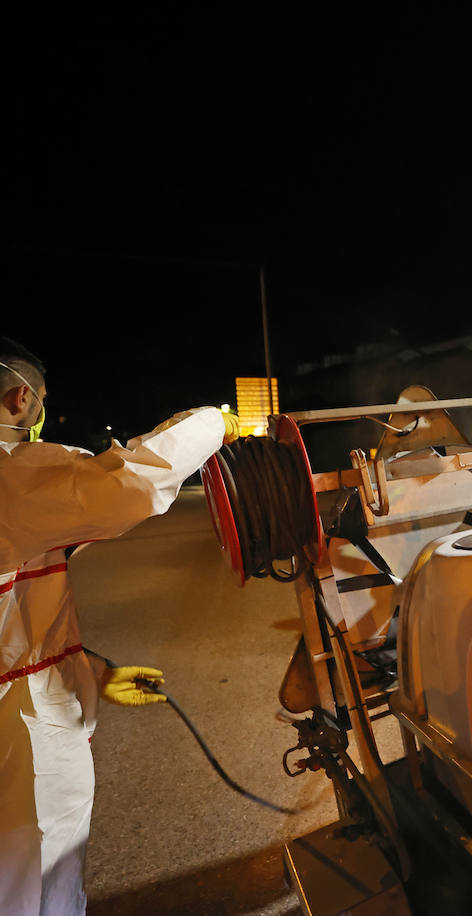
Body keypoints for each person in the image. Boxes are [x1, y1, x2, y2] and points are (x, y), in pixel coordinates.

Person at [0, 337, 238, 915]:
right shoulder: (10, 473)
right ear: (20, 400)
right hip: (18, 740)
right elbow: (130, 483)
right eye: (41, 407)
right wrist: (211, 424)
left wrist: (92, 670)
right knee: (33, 885)